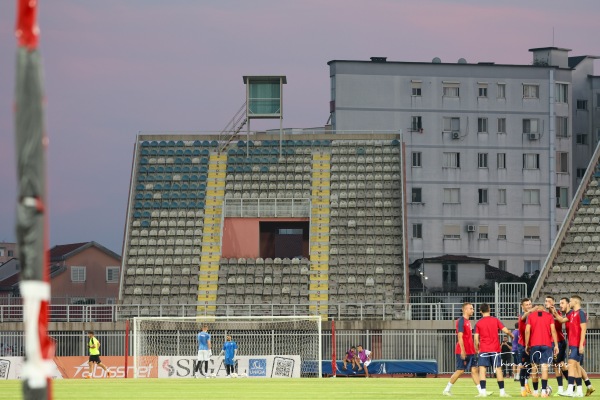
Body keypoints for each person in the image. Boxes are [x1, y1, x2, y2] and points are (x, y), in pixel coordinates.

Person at [473, 303, 514, 397]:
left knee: (482, 369)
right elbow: (505, 330)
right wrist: (511, 335)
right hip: (495, 349)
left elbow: (476, 338)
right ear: (489, 309)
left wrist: (477, 348)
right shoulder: (495, 320)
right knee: (498, 369)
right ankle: (502, 392)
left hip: (483, 349)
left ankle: (483, 392)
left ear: (480, 312)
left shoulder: (478, 323)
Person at [443, 302, 482, 396]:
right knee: (460, 370)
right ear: (464, 309)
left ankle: (481, 392)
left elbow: (468, 337)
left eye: (472, 308)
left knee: (474, 370)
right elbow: (460, 337)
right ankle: (446, 390)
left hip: (470, 351)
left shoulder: (468, 321)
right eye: (470, 308)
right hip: (463, 350)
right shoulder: (461, 321)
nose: (472, 310)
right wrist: (463, 350)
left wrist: (474, 348)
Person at [557, 295, 590, 397]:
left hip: (577, 344)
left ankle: (570, 389)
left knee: (571, 365)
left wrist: (581, 345)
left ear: (575, 302)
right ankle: (579, 391)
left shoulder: (581, 313)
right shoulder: (573, 314)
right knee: (575, 366)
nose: (569, 303)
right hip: (573, 344)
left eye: (570, 301)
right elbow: (561, 320)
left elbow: (583, 329)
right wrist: (553, 312)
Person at [525, 304, 558, 397]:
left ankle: (535, 392)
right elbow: (553, 330)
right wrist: (556, 345)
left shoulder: (531, 316)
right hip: (546, 345)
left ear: (537, 309)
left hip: (534, 344)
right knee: (544, 368)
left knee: (534, 368)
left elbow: (527, 331)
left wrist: (527, 344)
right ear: (544, 309)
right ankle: (543, 391)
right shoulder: (549, 316)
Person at [546, 296, 570, 396]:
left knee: (560, 364)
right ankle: (563, 387)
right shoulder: (546, 314)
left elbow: (557, 325)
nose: (546, 302)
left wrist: (553, 311)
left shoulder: (558, 313)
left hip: (558, 341)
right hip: (551, 342)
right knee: (556, 365)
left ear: (553, 302)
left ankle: (570, 384)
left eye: (548, 301)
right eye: (545, 301)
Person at [517, 298, 536, 395]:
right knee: (524, 367)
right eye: (526, 304)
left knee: (530, 366)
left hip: (531, 345)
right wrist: (533, 310)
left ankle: (526, 384)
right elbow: (524, 316)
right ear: (522, 306)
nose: (529, 306)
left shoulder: (533, 316)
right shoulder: (522, 316)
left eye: (530, 304)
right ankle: (522, 389)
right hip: (523, 345)